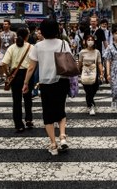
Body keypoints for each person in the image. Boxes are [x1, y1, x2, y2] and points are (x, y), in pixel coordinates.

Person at [23, 19, 71, 155]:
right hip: (62, 80)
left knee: (48, 113)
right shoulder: (63, 43)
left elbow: (31, 67)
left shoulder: (38, 46)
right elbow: (69, 60)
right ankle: (62, 136)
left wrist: (26, 83)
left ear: (42, 31)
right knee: (61, 108)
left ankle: (53, 144)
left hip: (46, 83)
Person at [2, 28, 34, 133]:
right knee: (28, 98)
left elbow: (3, 63)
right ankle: (29, 119)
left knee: (17, 101)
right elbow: (34, 64)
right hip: (27, 74)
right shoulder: (31, 47)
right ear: (27, 36)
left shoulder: (12, 47)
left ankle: (19, 124)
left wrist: (8, 74)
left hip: (15, 74)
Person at [78, 34, 104, 116]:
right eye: (88, 39)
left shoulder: (97, 52)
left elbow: (99, 63)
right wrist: (77, 72)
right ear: (85, 41)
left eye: (91, 40)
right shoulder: (82, 52)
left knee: (94, 88)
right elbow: (80, 63)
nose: (90, 41)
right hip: (85, 72)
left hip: (94, 72)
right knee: (88, 90)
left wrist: (101, 73)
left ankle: (90, 102)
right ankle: (91, 105)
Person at [0, 20, 16, 84]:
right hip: (2, 51)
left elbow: (15, 42)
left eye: (6, 24)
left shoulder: (13, 33)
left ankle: (9, 77)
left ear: (9, 25)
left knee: (10, 66)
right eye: (3, 24)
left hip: (10, 51)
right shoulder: (0, 34)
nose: (4, 25)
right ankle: (2, 77)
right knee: (0, 65)